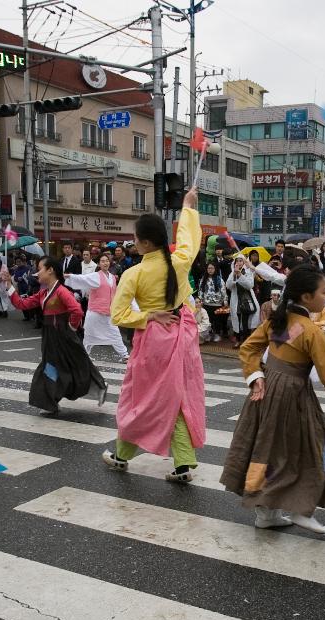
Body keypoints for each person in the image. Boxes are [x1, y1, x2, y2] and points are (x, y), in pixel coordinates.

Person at [221, 264, 325, 533]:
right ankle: (301, 507)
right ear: (306, 297)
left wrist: (256, 375)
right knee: (317, 449)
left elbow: (249, 348)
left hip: (267, 391)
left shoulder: (283, 323)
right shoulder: (311, 331)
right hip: (293, 397)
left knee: (267, 450)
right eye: (324, 291)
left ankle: (267, 513)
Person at [102, 188, 204, 483]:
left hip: (154, 339)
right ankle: (183, 463)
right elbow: (189, 238)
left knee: (140, 400)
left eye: (135, 238)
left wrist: (147, 315)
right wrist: (188, 207)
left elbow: (118, 315)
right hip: (182, 332)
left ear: (145, 242)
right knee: (177, 398)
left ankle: (122, 456)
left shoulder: (133, 274)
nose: (133, 242)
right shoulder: (180, 260)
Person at [9, 257, 107, 414]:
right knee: (51, 367)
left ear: (50, 270)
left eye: (39, 268)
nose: (36, 273)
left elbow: (77, 310)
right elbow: (21, 304)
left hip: (63, 336)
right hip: (50, 335)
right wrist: (8, 286)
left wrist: (71, 326)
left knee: (76, 364)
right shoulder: (43, 293)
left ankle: (97, 386)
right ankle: (50, 401)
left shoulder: (61, 291)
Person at [64, 252, 129, 361]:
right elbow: (83, 278)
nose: (105, 263)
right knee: (89, 335)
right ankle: (84, 355)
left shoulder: (112, 277)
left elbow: (115, 292)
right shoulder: (95, 276)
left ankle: (125, 355)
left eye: (107, 261)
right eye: (103, 261)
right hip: (95, 312)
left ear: (110, 262)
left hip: (108, 311)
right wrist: (70, 276)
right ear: (98, 264)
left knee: (115, 333)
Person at [225, 255, 260, 347]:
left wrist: (240, 275)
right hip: (236, 301)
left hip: (246, 300)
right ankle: (238, 339)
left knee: (245, 321)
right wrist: (234, 275)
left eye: (241, 261)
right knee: (236, 320)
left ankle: (245, 340)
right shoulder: (232, 272)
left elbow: (249, 285)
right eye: (237, 261)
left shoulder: (248, 272)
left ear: (244, 262)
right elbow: (228, 286)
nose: (239, 263)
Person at [197, 260, 229, 343]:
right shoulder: (203, 279)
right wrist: (200, 301)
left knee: (217, 321)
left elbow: (223, 291)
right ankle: (208, 335)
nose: (210, 270)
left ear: (215, 269)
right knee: (208, 321)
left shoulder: (219, 279)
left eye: (212, 268)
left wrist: (225, 300)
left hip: (217, 304)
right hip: (206, 304)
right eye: (208, 268)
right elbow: (200, 291)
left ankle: (217, 334)